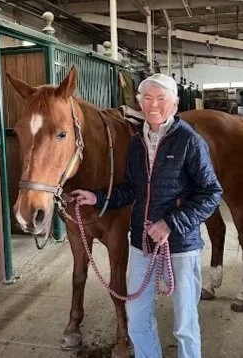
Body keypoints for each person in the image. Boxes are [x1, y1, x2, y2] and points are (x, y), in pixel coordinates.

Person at [71, 73, 223, 358]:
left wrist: (171, 223)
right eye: (147, 99)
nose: (153, 105)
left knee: (184, 323)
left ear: (175, 104)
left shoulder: (189, 142)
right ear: (139, 102)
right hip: (142, 244)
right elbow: (131, 189)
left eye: (161, 99)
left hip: (179, 247)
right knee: (137, 317)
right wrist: (98, 197)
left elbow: (211, 193)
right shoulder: (137, 143)